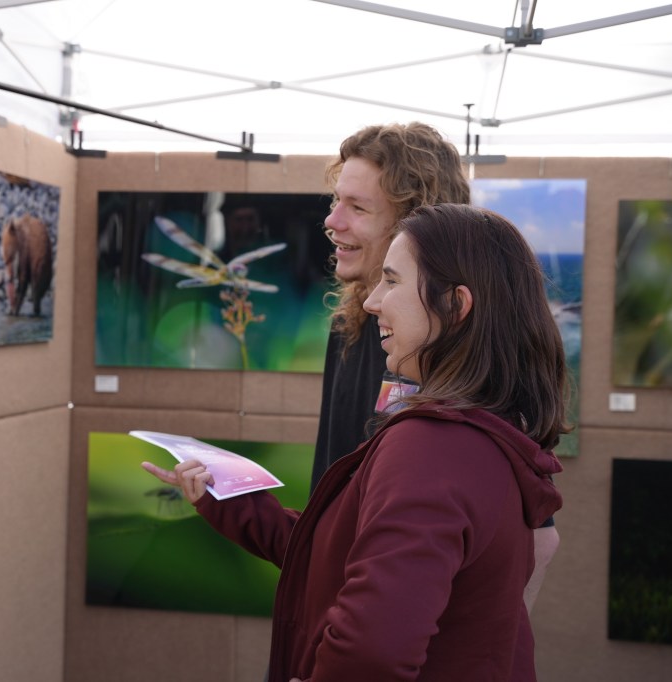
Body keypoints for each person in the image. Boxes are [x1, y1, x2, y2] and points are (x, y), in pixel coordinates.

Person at [143, 203, 568, 681]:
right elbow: (340, 559)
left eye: (392, 281)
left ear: (455, 304)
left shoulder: (431, 449)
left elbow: (373, 652)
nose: (371, 301)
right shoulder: (488, 432)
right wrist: (225, 500)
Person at [312, 122, 558, 611]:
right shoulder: (354, 322)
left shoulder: (456, 352)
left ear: (417, 225)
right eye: (336, 201)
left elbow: (540, 539)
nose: (332, 221)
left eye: (357, 208)